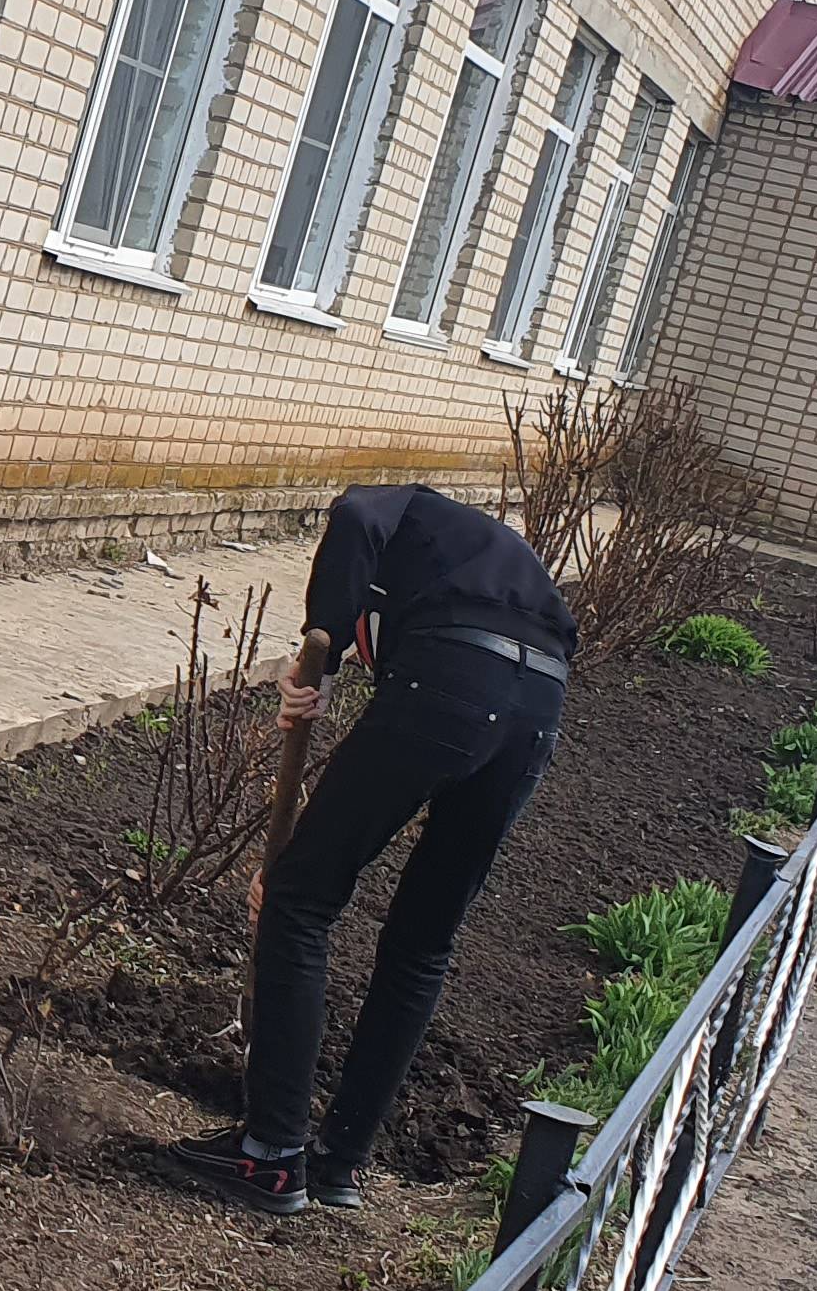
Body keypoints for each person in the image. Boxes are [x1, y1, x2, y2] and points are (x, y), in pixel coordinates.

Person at [158, 483, 574, 1220]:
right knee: (422, 942)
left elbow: (351, 518)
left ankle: (272, 1157)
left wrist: (319, 645)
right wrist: (321, 686)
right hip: (538, 707)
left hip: (453, 677)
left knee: (300, 901)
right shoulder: (458, 554)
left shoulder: (391, 506)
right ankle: (340, 1160)